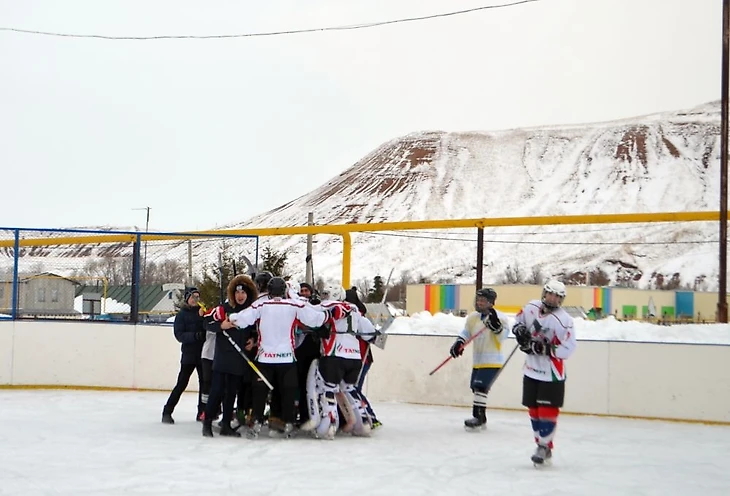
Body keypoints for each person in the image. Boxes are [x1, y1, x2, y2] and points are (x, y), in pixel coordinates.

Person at [228, 277, 343, 439]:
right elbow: (315, 319)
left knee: (259, 392)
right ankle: (288, 422)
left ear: (269, 290)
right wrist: (328, 315)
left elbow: (241, 318)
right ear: (284, 291)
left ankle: (257, 421)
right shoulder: (294, 305)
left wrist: (229, 319)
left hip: (264, 359)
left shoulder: (261, 304)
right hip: (287, 359)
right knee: (288, 392)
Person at [512, 279, 577, 466]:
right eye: (550, 294)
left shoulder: (564, 321)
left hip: (551, 374)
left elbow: (569, 348)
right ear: (544, 293)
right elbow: (517, 321)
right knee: (533, 410)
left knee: (546, 410)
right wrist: (520, 330)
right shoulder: (531, 306)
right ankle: (541, 444)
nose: (553, 298)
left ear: (561, 299)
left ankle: (544, 446)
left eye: (558, 296)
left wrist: (546, 349)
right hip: (531, 370)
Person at [301, 285, 377, 439]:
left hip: (334, 355)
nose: (324, 297)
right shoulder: (354, 310)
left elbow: (309, 316)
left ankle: (329, 424)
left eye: (326, 294)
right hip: (354, 358)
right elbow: (370, 333)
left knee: (327, 388)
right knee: (349, 388)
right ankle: (363, 421)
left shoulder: (326, 306)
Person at [201, 275, 258, 437]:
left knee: (231, 392)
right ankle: (207, 423)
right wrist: (221, 325)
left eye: (243, 293)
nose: (240, 296)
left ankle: (226, 424)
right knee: (217, 390)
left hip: (240, 358)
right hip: (223, 358)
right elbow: (206, 322)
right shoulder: (223, 309)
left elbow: (254, 330)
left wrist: (252, 340)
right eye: (237, 293)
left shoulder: (250, 312)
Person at [448, 288, 510, 431]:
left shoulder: (500, 317)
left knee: (480, 387)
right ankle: (480, 417)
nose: (479, 302)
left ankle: (479, 417)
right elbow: (466, 332)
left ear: (491, 303)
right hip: (478, 361)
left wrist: (497, 328)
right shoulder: (473, 318)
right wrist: (459, 343)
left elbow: (503, 337)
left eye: (483, 300)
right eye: (478, 299)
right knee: (474, 387)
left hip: (493, 361)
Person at [161, 287, 206, 424]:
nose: (195, 300)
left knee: (204, 384)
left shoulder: (202, 313)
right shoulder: (182, 315)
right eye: (193, 297)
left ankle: (202, 412)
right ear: (187, 298)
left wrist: (204, 318)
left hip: (202, 354)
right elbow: (179, 335)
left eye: (197, 297)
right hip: (189, 355)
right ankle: (167, 411)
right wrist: (195, 336)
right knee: (182, 383)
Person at [294, 281, 321, 426]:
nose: (304, 293)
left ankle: (312, 415)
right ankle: (301, 415)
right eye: (301, 291)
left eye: (306, 290)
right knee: (299, 384)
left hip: (313, 350)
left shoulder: (316, 304)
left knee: (311, 385)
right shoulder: (296, 305)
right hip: (299, 350)